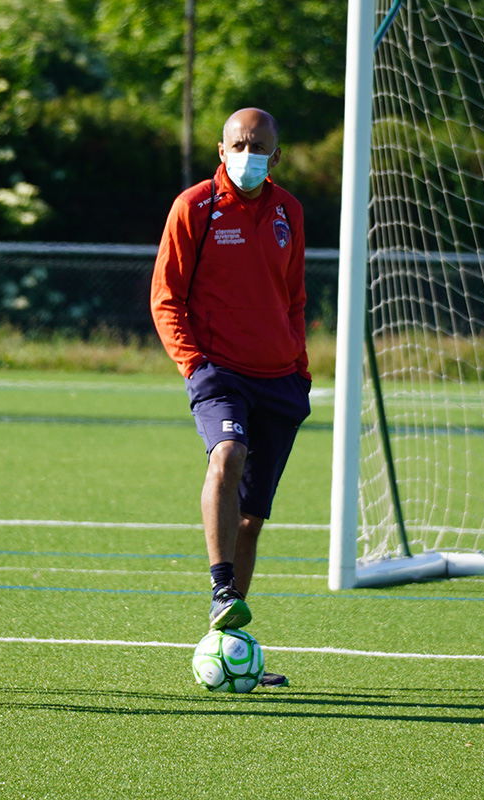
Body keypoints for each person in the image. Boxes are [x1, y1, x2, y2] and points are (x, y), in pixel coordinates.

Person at [150, 108, 310, 687]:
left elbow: (294, 298)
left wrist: (301, 368)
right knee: (227, 455)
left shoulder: (288, 210)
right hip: (219, 372)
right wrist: (194, 365)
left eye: (259, 146)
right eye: (239, 145)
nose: (248, 155)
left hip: (280, 380)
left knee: (251, 519)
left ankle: (229, 638)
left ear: (275, 154)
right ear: (222, 150)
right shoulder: (194, 206)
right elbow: (165, 295)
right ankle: (222, 588)